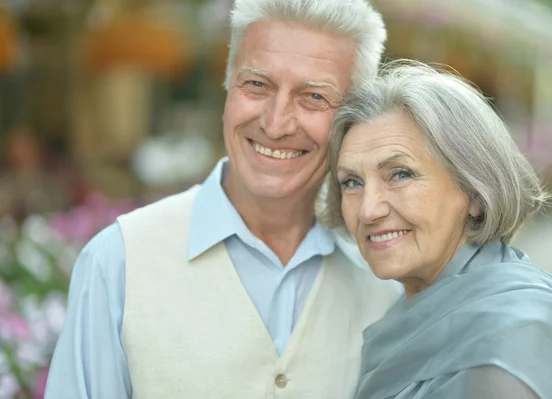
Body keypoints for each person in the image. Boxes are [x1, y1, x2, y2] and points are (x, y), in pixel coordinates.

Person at [44, 1, 400, 398]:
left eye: (314, 96)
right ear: (228, 86)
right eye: (257, 85)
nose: (275, 123)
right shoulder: (118, 263)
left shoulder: (384, 286)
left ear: (352, 121)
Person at [321, 61, 552, 399]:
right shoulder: (416, 307)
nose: (367, 209)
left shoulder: (511, 343)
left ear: (475, 192)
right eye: (352, 182)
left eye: (400, 174)